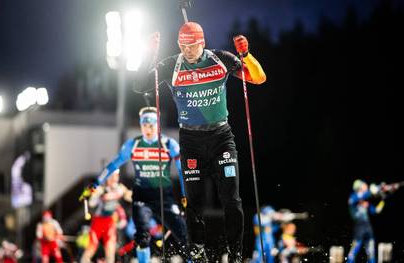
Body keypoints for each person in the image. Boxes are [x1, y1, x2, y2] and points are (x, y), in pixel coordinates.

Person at [134, 21, 266, 262]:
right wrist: (148, 56)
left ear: (202, 43)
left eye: (192, 46)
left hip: (221, 137)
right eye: (183, 46)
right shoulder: (171, 65)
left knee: (231, 198)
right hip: (191, 139)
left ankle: (235, 253)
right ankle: (197, 249)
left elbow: (258, 78)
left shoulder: (220, 59)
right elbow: (139, 86)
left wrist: (246, 55)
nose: (187, 51)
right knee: (194, 200)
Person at [81, 107, 188, 263]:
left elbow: (181, 170)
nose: (148, 129)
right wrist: (96, 183)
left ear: (158, 125)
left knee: (183, 234)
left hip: (163, 196)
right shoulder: (133, 144)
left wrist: (186, 195)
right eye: (144, 125)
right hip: (142, 196)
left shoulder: (168, 144)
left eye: (152, 125)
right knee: (141, 237)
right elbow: (112, 166)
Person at [81, 170, 130, 263]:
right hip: (98, 221)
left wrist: (135, 194)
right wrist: (94, 194)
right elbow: (91, 204)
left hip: (110, 222)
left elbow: (129, 197)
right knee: (92, 246)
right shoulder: (101, 188)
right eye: (111, 176)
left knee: (110, 248)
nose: (114, 179)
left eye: (116, 176)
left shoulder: (120, 188)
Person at [347, 179, 387, 263]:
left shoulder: (365, 202)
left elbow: (376, 211)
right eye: (363, 185)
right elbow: (362, 196)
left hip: (368, 228)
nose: (365, 186)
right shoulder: (353, 197)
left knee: (371, 253)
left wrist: (383, 200)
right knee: (353, 252)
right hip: (359, 228)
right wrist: (375, 189)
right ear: (359, 187)